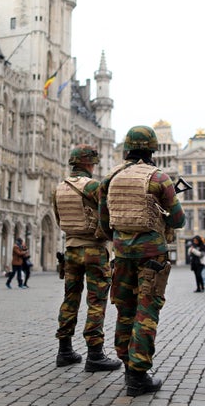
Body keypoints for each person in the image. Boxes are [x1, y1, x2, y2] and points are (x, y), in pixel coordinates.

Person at [99, 125, 185, 397]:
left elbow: (103, 222)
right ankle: (138, 376)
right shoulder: (159, 178)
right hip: (151, 257)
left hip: (122, 255)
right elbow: (178, 219)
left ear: (127, 149)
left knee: (125, 310)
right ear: (152, 149)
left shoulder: (109, 178)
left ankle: (127, 364)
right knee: (146, 310)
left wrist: (121, 236)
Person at [52, 144, 120, 372]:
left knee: (70, 298)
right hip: (93, 249)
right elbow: (107, 215)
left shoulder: (59, 188)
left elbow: (57, 219)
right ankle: (95, 354)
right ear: (89, 163)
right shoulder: (93, 186)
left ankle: (64, 351)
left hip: (70, 249)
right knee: (96, 300)